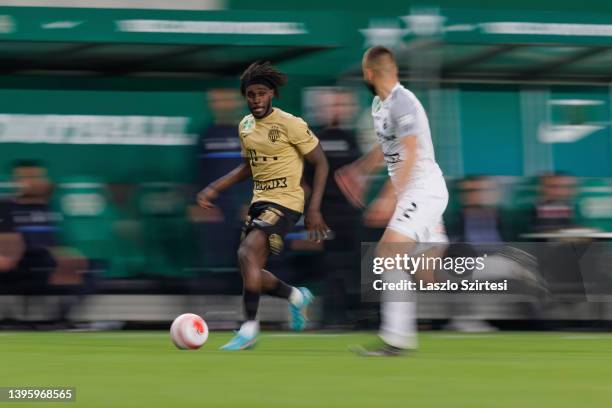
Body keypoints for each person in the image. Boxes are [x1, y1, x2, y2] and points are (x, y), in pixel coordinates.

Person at [197, 61, 330, 350]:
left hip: (287, 203)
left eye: (261, 93)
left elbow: (320, 163)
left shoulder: (290, 124)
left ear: (272, 94)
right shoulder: (245, 126)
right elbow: (247, 168)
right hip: (260, 203)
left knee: (247, 252)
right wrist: (214, 188)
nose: (256, 99)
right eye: (251, 94)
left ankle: (248, 329)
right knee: (251, 267)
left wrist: (314, 208)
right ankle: (297, 296)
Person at [336, 45, 449, 356]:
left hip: (422, 191)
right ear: (393, 69)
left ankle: (396, 340)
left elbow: (411, 152)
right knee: (427, 277)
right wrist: (358, 172)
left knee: (387, 254)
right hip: (416, 195)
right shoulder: (379, 105)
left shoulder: (403, 102)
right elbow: (386, 147)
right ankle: (498, 269)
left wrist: (387, 198)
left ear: (368, 74)